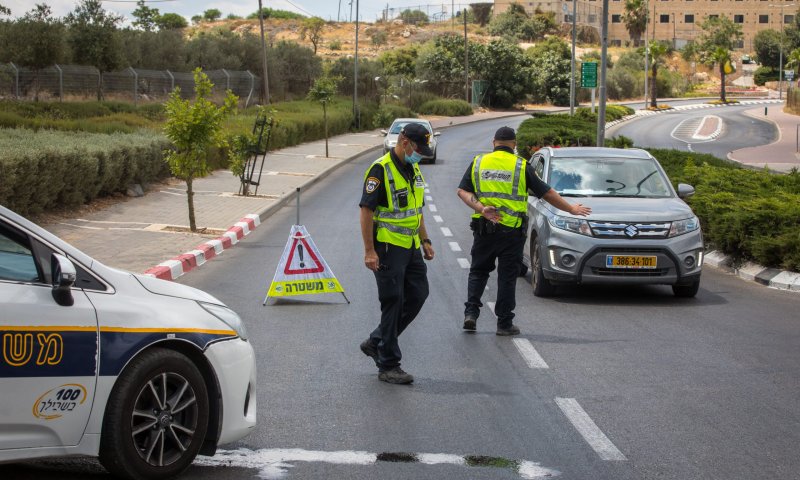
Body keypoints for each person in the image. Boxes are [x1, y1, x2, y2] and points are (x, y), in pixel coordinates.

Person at [456, 126, 591, 335]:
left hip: (484, 229)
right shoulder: (521, 166)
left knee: (478, 272)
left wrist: (481, 208)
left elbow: (462, 191)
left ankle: (471, 314)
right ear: (514, 144)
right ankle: (504, 324)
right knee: (507, 277)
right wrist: (571, 208)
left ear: (493, 143)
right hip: (511, 232)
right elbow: (546, 193)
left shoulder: (478, 162)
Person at [359, 122, 436, 384]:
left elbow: (417, 209)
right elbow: (366, 211)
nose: (420, 154)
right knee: (393, 301)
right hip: (388, 247)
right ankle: (389, 364)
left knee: (419, 294)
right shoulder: (380, 169)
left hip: (411, 246)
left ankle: (377, 340)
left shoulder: (413, 169)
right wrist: (369, 251)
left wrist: (425, 239)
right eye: (418, 148)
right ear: (404, 142)